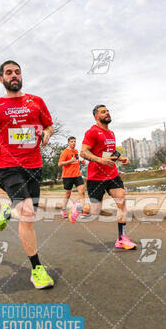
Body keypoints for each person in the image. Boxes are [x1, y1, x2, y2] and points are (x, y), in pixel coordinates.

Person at [0, 60, 54, 290]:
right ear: (1, 79)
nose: (13, 75)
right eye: (8, 72)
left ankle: (8, 210)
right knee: (26, 213)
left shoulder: (36, 102)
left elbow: (48, 126)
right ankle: (37, 269)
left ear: (21, 76)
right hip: (9, 166)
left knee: (28, 217)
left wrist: (46, 134)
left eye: (17, 72)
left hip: (34, 166)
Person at [81, 105, 137, 250]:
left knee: (121, 200)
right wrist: (99, 160)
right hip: (96, 177)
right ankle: (79, 208)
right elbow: (83, 152)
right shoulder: (92, 132)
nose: (107, 113)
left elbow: (109, 154)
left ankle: (121, 238)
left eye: (107, 111)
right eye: (103, 112)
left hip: (112, 174)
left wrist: (121, 158)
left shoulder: (111, 133)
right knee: (94, 211)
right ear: (96, 116)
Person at [58, 136, 87, 222]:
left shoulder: (76, 151)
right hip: (67, 176)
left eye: (74, 141)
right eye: (71, 141)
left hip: (77, 175)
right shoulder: (65, 152)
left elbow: (75, 161)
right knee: (67, 194)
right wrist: (69, 161)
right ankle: (63, 210)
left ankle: (82, 211)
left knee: (82, 191)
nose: (73, 143)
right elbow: (60, 164)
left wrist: (81, 162)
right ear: (68, 143)